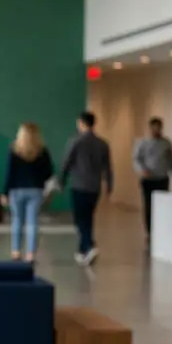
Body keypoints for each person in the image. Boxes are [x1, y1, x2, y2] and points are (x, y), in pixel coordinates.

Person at [59, 111, 112, 266]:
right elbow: (108, 167)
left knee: (79, 218)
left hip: (79, 185)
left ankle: (89, 245)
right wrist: (109, 184)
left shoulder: (75, 141)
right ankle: (82, 251)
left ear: (81, 123)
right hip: (94, 186)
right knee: (88, 217)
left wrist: (61, 180)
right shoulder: (102, 143)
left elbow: (66, 162)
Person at [0, 122, 54, 263]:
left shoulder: (14, 150)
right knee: (32, 222)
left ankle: (16, 252)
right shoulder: (42, 151)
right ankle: (31, 254)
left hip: (16, 191)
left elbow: (9, 174)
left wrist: (4, 193)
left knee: (17, 220)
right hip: (35, 190)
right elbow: (49, 173)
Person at [133, 116, 172, 241]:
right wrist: (142, 169)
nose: (156, 130)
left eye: (158, 128)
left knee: (163, 205)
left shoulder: (166, 143)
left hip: (162, 178)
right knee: (149, 205)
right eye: (154, 128)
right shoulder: (142, 143)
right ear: (150, 128)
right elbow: (137, 159)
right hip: (148, 179)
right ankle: (149, 231)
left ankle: (161, 228)